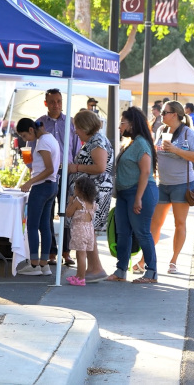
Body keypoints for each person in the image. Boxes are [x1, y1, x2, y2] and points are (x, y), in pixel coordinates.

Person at [145, 101, 194, 276]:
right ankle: (144, 259)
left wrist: (176, 150)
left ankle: (174, 260)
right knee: (155, 222)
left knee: (180, 222)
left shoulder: (187, 133)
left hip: (182, 184)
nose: (161, 115)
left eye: (164, 112)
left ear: (175, 114)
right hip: (163, 183)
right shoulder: (161, 131)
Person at [106, 107, 158, 284]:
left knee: (142, 232)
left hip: (139, 192)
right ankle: (121, 270)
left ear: (132, 124)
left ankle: (151, 272)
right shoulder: (132, 143)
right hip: (124, 194)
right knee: (123, 233)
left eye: (122, 123)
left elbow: (145, 172)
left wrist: (138, 198)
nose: (120, 127)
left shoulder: (142, 144)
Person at [30, 88, 81, 266]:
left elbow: (76, 148)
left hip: (67, 172)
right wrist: (34, 171)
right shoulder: (38, 124)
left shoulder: (71, 123)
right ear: (46, 103)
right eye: (52, 101)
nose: (56, 105)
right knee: (48, 214)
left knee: (67, 212)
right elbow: (30, 150)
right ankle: (50, 252)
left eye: (59, 101)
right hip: (46, 175)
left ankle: (66, 252)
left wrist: (74, 169)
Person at [66, 110, 114, 283]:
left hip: (96, 192)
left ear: (85, 127)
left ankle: (95, 268)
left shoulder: (97, 142)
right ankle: (94, 267)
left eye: (77, 128)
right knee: (88, 230)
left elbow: (100, 167)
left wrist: (76, 168)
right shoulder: (94, 140)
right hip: (92, 191)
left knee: (87, 229)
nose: (75, 131)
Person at [16, 118, 61, 276]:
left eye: (24, 136)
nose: (25, 140)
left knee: (33, 226)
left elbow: (48, 169)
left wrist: (30, 182)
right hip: (51, 186)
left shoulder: (42, 142)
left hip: (42, 186)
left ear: (30, 130)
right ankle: (44, 265)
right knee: (45, 226)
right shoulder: (50, 139)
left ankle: (34, 265)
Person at [64, 176, 97, 286]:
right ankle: (79, 275)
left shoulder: (78, 201)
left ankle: (81, 277)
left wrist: (70, 202)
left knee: (80, 254)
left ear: (80, 190)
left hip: (79, 230)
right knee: (84, 254)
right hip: (89, 229)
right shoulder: (92, 202)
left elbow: (68, 213)